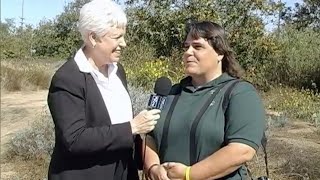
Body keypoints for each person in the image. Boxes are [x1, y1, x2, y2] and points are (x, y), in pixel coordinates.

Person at [47, 0, 160, 179]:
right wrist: (132, 127)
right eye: (117, 37)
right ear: (93, 38)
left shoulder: (117, 70)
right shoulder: (68, 78)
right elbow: (74, 139)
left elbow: (114, 121)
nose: (124, 43)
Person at [143, 21, 266, 180]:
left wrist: (189, 175)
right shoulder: (170, 92)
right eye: (186, 47)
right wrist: (153, 168)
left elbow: (242, 150)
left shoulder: (240, 93)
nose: (188, 52)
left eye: (197, 47)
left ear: (220, 53)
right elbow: (148, 136)